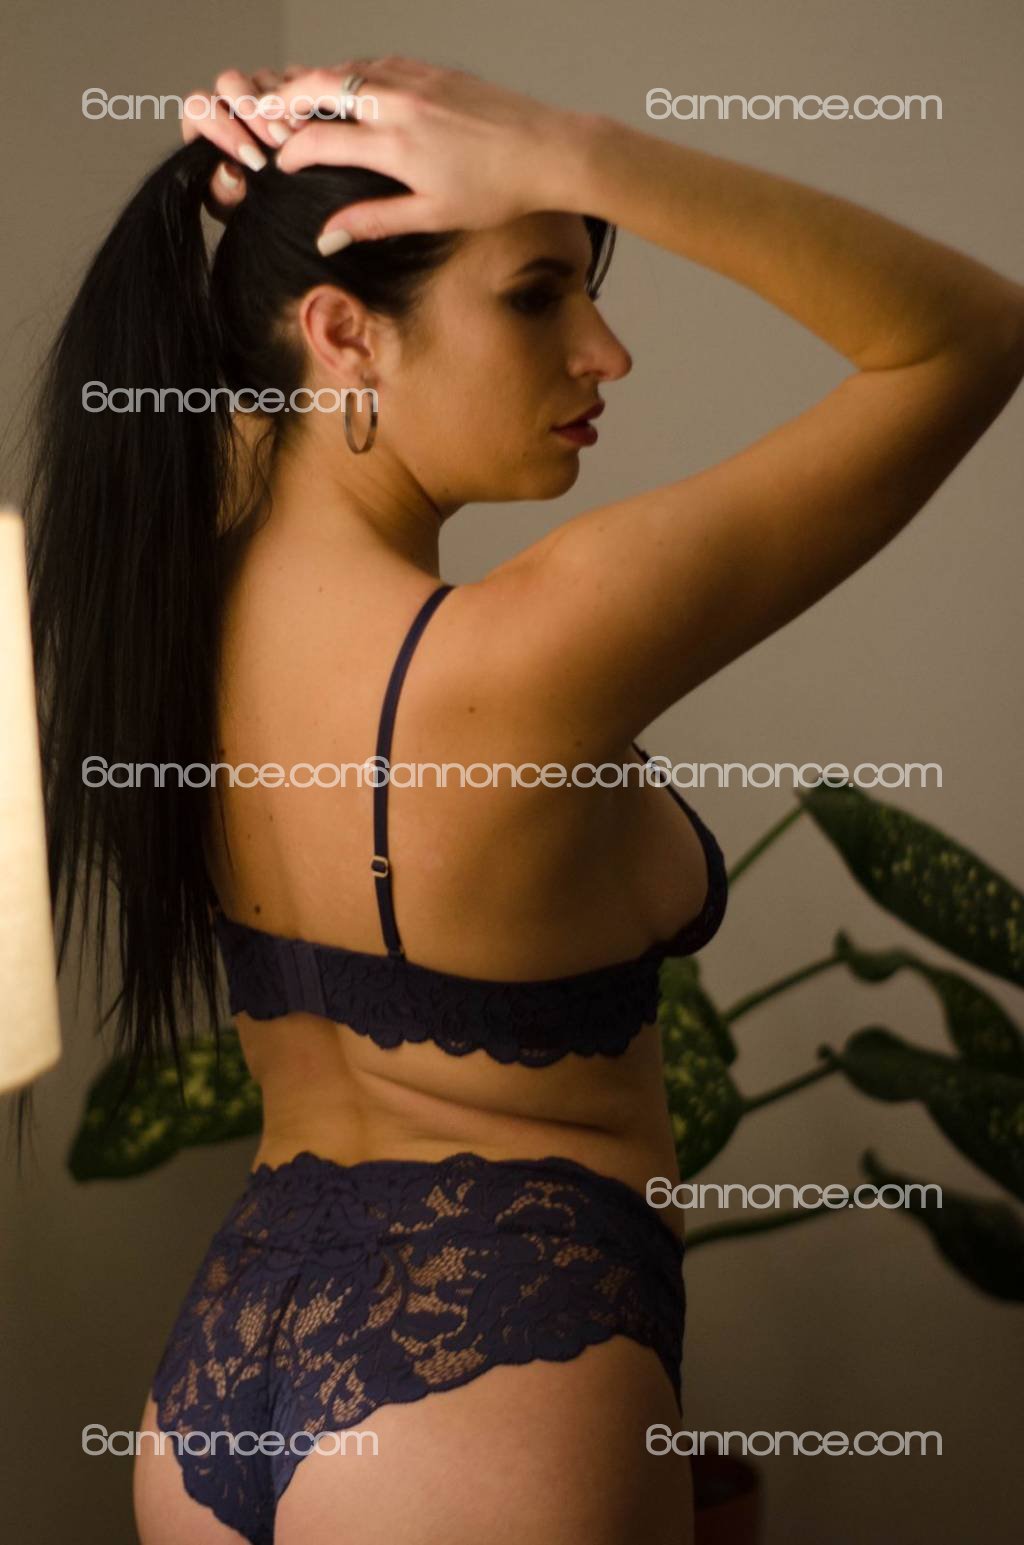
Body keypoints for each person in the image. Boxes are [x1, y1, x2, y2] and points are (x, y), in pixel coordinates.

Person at [23, 55, 1024, 1545]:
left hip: (217, 1383)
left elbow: (252, 356)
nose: (604, 352)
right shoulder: (533, 650)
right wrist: (581, 151)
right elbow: (969, 335)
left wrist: (259, 195)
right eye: (538, 293)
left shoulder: (169, 581)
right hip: (491, 1384)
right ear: (342, 332)